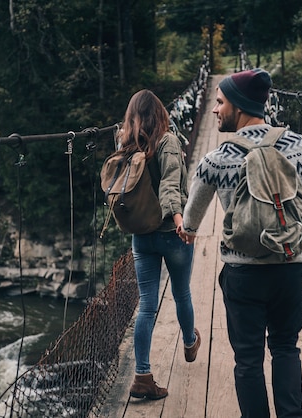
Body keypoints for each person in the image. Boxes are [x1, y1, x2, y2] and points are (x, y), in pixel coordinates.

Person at [179, 69, 302, 417]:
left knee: (248, 358)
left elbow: (191, 218)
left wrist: (187, 230)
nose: (215, 110)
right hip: (291, 268)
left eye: (219, 102)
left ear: (238, 106)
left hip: (243, 274)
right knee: (285, 347)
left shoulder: (215, 159)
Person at [117, 89, 201, 400]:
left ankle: (142, 375)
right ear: (161, 113)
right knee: (181, 292)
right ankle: (190, 341)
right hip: (171, 233)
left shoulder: (125, 145)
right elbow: (169, 184)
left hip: (141, 236)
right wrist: (180, 219)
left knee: (147, 305)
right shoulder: (168, 141)